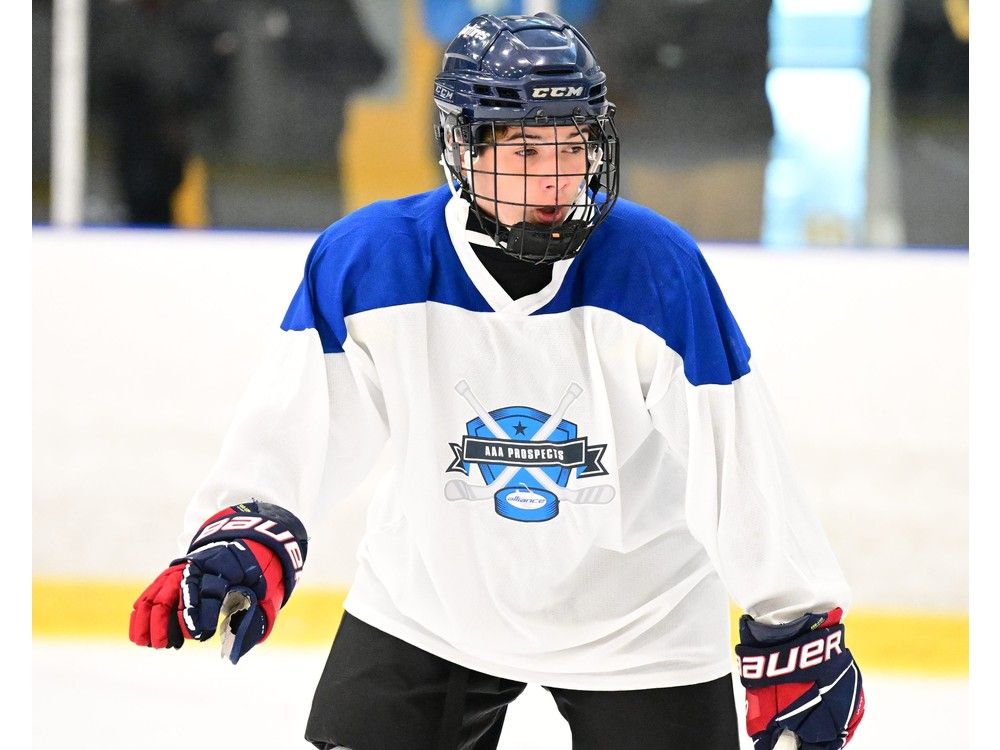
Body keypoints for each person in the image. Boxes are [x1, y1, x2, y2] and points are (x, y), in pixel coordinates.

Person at [129, 13, 865, 750]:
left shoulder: (654, 269)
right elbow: (300, 420)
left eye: (574, 144)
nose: (555, 176)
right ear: (460, 147)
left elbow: (736, 454)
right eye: (524, 148)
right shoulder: (372, 261)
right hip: (432, 606)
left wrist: (794, 618)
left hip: (642, 623)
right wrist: (247, 529)